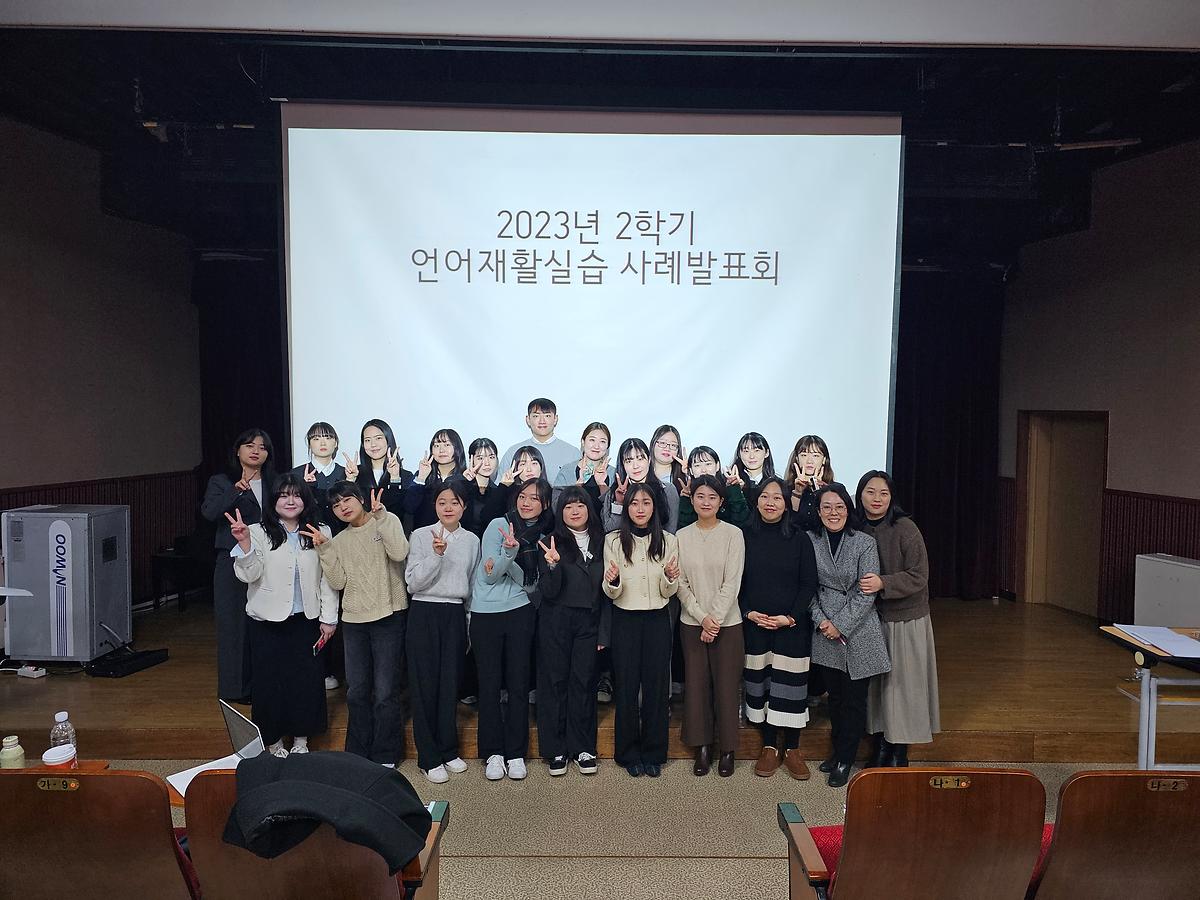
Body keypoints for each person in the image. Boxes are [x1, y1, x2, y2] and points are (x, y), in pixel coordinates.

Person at [228, 474, 338, 757]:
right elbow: (248, 576)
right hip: (266, 621)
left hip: (307, 620)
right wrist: (245, 545)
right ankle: (274, 741)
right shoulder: (256, 531)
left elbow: (327, 578)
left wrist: (329, 618)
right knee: (269, 684)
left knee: (306, 681)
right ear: (273, 500)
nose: (291, 501)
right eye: (284, 495)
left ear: (305, 499)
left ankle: (301, 740)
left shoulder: (320, 530)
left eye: (297, 495)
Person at [309, 481, 410, 766]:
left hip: (389, 617)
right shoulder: (339, 540)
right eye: (336, 504)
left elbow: (400, 553)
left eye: (347, 499)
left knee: (386, 691)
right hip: (354, 621)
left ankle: (386, 755)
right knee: (356, 691)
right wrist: (325, 550)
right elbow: (338, 582)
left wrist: (383, 518)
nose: (343, 507)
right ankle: (358, 755)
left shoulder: (387, 520)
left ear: (361, 498)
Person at [855, 471, 940, 768]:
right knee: (877, 688)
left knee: (903, 686)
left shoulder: (906, 528)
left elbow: (919, 575)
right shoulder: (856, 527)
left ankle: (899, 749)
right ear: (860, 495)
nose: (877, 499)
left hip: (906, 619)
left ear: (892, 497)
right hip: (870, 619)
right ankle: (880, 745)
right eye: (870, 492)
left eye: (884, 493)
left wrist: (884, 583)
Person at [471, 478, 553, 781]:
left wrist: (511, 558)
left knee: (519, 686)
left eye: (535, 498)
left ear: (545, 504)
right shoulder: (498, 525)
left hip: (520, 612)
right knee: (489, 686)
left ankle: (516, 753)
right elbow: (490, 575)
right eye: (522, 496)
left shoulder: (543, 536)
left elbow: (532, 586)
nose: (527, 502)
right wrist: (510, 553)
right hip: (486, 613)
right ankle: (493, 753)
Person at [807, 483, 889, 788]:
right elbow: (806, 587)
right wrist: (821, 621)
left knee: (854, 700)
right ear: (818, 511)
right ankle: (837, 750)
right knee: (835, 698)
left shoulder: (864, 542)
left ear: (848, 509)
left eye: (839, 506)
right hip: (824, 628)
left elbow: (867, 592)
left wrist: (840, 624)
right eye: (827, 507)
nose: (833, 513)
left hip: (858, 629)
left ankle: (845, 758)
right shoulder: (810, 540)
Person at [740, 477, 818, 780]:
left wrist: (791, 617)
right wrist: (749, 612)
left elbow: (808, 584)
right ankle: (770, 746)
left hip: (791, 626)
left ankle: (793, 748)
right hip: (756, 624)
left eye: (777, 497)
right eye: (765, 496)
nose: (770, 502)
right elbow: (736, 580)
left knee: (791, 686)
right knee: (762, 683)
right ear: (757, 500)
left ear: (786, 504)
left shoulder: (800, 539)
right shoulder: (743, 536)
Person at [404, 480, 481, 783]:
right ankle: (429, 757)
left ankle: (448, 750)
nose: (448, 508)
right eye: (442, 502)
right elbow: (412, 582)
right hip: (424, 611)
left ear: (464, 506)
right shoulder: (421, 535)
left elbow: (472, 584)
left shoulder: (472, 540)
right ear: (434, 505)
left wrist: (470, 623)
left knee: (450, 684)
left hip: (455, 613)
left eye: (455, 502)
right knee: (424, 686)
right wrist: (436, 556)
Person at [603, 482, 680, 777]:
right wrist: (612, 581)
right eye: (634, 503)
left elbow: (668, 591)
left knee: (656, 689)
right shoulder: (613, 540)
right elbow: (610, 592)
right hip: (625, 620)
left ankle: (654, 753)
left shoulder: (668, 540)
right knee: (626, 687)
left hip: (657, 620)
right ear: (627, 508)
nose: (640, 509)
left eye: (646, 503)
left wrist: (670, 578)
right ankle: (627, 753)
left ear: (654, 507)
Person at [675, 475, 746, 777]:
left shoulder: (733, 534)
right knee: (697, 687)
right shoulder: (680, 536)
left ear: (721, 502)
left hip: (728, 624)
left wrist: (713, 620)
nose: (706, 502)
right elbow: (679, 583)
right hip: (692, 624)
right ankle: (702, 747)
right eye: (700, 496)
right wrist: (701, 617)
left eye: (712, 497)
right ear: (691, 500)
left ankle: (728, 749)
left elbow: (732, 582)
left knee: (727, 687)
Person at [535, 485, 608, 776]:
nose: (574, 511)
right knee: (555, 683)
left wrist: (603, 632)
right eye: (568, 506)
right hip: (555, 620)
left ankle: (583, 748)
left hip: (589, 622)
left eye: (580, 505)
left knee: (584, 682)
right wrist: (553, 566)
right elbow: (548, 591)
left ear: (589, 509)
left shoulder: (603, 541)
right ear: (560, 511)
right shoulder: (549, 542)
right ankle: (556, 749)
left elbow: (607, 592)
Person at [200, 428, 275, 701]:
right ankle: (235, 690)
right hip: (231, 559)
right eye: (250, 445)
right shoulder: (222, 481)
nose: (256, 451)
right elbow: (209, 512)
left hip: (270, 559)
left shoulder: (275, 482)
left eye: (262, 447)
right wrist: (235, 490)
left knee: (267, 622)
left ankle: (264, 685)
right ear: (238, 450)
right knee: (233, 624)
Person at [291, 421, 347, 691]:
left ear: (336, 442)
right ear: (309, 444)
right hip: (308, 547)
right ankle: (318, 668)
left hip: (343, 546)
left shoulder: (346, 473)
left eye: (327, 437)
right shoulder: (297, 474)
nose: (322, 443)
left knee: (340, 606)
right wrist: (308, 488)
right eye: (315, 438)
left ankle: (339, 668)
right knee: (314, 603)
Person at [602, 437, 679, 533]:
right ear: (622, 465)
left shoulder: (667, 490)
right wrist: (619, 503)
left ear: (649, 460)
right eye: (629, 461)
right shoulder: (613, 493)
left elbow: (671, 531)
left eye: (640, 459)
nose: (635, 466)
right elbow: (610, 531)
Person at [498, 398, 579, 484]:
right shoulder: (514, 451)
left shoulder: (572, 453)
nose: (542, 421)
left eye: (547, 416)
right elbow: (500, 486)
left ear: (555, 419)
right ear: (528, 420)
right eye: (536, 416)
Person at [343, 419, 413, 518]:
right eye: (367, 440)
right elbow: (344, 509)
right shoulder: (354, 473)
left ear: (388, 440)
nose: (373, 444)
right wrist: (350, 481)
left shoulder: (405, 476)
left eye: (378, 438)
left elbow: (402, 512)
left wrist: (395, 479)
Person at [405, 428, 467, 529]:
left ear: (457, 448)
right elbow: (409, 507)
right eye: (436, 445)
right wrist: (421, 478)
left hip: (456, 535)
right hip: (424, 534)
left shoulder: (466, 477)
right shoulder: (423, 475)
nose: (441, 450)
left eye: (447, 445)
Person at [677, 446, 750, 528]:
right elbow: (684, 528)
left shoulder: (728, 488)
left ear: (717, 466)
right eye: (697, 465)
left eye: (708, 464)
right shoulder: (687, 492)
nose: (703, 470)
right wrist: (686, 499)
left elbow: (742, 522)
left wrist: (735, 489)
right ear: (691, 470)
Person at [553, 421, 615, 509]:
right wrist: (578, 485)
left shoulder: (614, 474)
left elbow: (617, 511)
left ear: (607, 446)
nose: (596, 446)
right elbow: (555, 507)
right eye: (592, 440)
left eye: (602, 441)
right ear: (583, 442)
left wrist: (602, 485)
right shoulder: (567, 471)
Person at [784, 435, 834, 531]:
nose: (809, 461)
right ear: (797, 458)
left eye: (816, 455)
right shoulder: (784, 487)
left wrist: (818, 490)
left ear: (824, 459)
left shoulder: (835, 489)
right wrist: (797, 493)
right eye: (804, 455)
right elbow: (787, 523)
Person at [461, 437, 504, 539]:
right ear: (471, 460)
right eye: (480, 458)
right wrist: (465, 483)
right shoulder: (461, 486)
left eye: (491, 457)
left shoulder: (499, 491)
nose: (487, 463)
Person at [732, 431, 776, 504]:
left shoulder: (777, 484)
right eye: (746, 451)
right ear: (739, 454)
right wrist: (735, 491)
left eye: (756, 450)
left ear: (766, 453)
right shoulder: (729, 482)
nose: (751, 456)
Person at [649, 424, 687, 494]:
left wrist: (691, 473)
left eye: (673, 445)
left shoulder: (685, 477)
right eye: (662, 443)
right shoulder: (640, 473)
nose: (667, 448)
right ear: (653, 444)